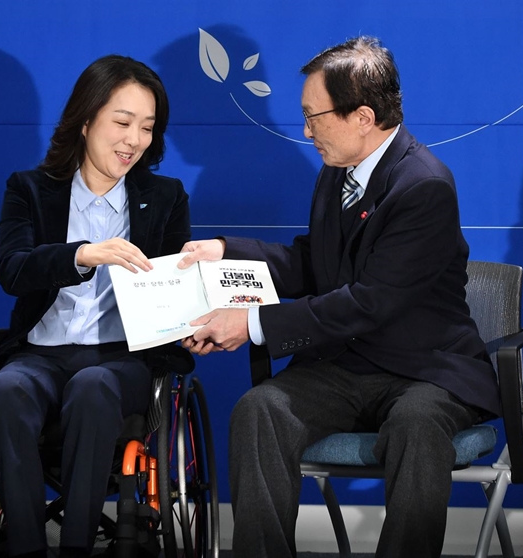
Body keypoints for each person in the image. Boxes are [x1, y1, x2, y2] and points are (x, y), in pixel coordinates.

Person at [178, 36, 499, 558]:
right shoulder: (337, 172)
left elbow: (370, 301)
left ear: (363, 116)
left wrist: (251, 325)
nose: (306, 132)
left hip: (423, 369)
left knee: (416, 425)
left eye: (313, 117)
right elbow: (313, 264)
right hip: (344, 368)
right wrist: (224, 251)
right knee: (260, 410)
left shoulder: (424, 186)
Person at [0, 55, 190, 558]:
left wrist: (193, 318)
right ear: (85, 121)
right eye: (122, 123)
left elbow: (177, 290)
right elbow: (12, 271)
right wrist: (83, 254)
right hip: (40, 354)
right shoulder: (30, 190)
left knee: (93, 385)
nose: (134, 140)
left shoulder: (165, 197)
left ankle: (76, 547)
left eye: (147, 128)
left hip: (118, 360)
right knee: (8, 389)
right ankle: (26, 547)